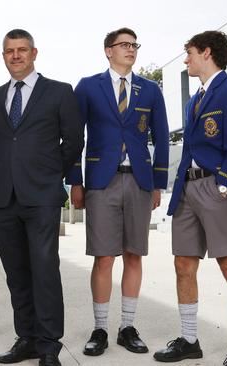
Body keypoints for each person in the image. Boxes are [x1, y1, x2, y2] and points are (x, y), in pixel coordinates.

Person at [153, 30, 227, 366]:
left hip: (217, 187)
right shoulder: (193, 101)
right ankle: (189, 341)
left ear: (207, 53)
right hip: (188, 187)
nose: (186, 59)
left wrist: (225, 187)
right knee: (183, 264)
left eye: (189, 53)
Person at [0, 29, 82, 366]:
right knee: (17, 273)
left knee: (44, 270)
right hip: (3, 198)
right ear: (4, 55)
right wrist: (11, 172)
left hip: (42, 196)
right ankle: (26, 338)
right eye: (9, 50)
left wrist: (49, 172)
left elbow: (73, 142)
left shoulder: (59, 92)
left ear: (34, 53)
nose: (16, 56)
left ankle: (49, 346)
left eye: (22, 50)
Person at [67, 27, 169, 357]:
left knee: (134, 254)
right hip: (100, 180)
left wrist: (157, 183)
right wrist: (76, 180)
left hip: (139, 180)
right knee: (103, 256)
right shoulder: (87, 87)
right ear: (108, 50)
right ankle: (99, 328)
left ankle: (127, 326)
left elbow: (162, 137)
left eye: (134, 45)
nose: (131, 49)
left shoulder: (150, 90)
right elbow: (73, 136)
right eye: (124, 45)